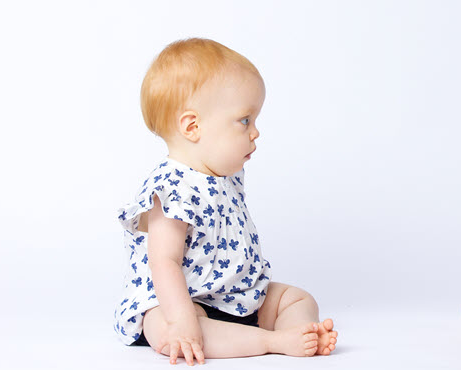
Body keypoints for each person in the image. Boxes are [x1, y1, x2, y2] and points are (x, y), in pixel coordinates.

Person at [114, 38, 337, 365]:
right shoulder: (171, 188)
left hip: (237, 297)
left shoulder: (226, 175)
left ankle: (300, 333)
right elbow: (164, 262)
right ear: (193, 126)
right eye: (245, 120)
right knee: (163, 325)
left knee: (296, 298)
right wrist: (183, 319)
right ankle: (271, 341)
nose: (256, 132)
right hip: (189, 302)